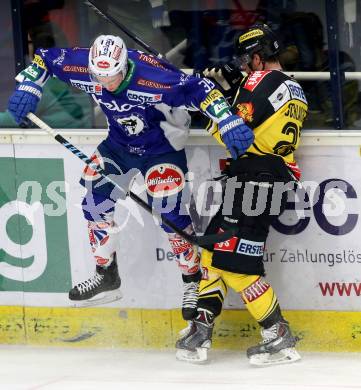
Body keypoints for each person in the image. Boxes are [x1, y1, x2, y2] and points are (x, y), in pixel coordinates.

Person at [7, 34, 254, 321]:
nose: (105, 84)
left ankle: (193, 280)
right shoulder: (85, 67)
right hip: (119, 146)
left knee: (169, 214)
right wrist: (29, 86)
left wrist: (227, 119)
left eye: (111, 77)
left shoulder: (152, 77)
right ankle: (106, 274)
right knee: (94, 203)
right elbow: (46, 58)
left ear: (124, 66)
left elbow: (201, 88)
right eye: (99, 77)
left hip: (161, 149)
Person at [176, 24, 308, 365]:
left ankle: (277, 333)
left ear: (259, 57)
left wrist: (208, 100)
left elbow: (235, 135)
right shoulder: (294, 88)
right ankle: (201, 328)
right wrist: (221, 93)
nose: (243, 66)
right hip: (264, 179)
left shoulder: (259, 81)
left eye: (247, 60)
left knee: (237, 265)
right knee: (212, 251)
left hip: (257, 180)